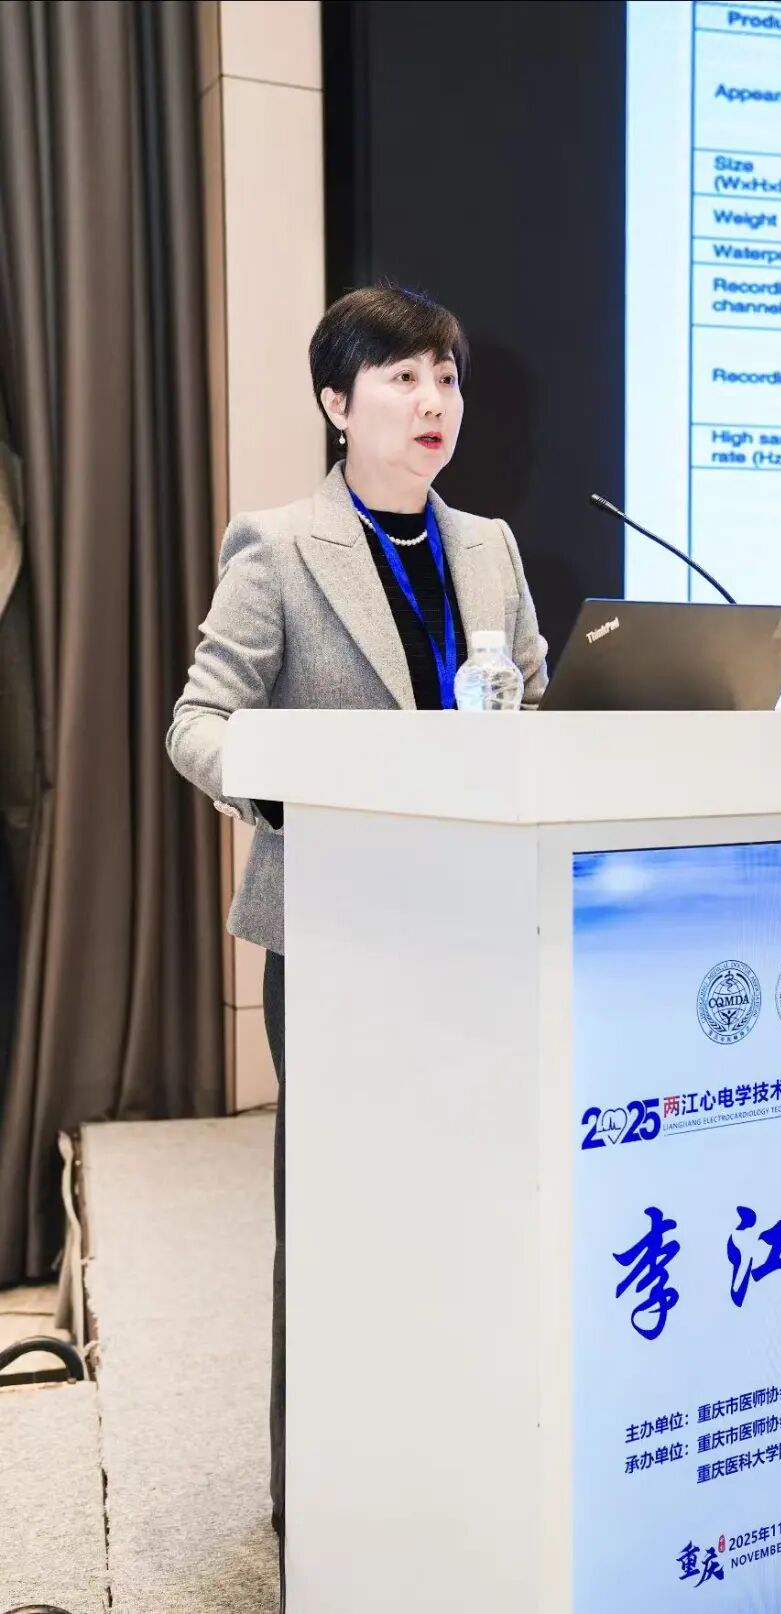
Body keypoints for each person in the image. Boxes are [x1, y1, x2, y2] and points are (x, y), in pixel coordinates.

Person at [166, 285, 548, 1548]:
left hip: (484, 927)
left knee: (475, 1198)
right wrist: (295, 791)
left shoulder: (489, 547)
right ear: (338, 404)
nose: (434, 401)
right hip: (339, 933)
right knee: (342, 1215)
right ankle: (317, 1493)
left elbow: (532, 710)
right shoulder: (279, 547)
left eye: (447, 377)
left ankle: (459, 1455)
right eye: (402, 378)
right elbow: (197, 723)